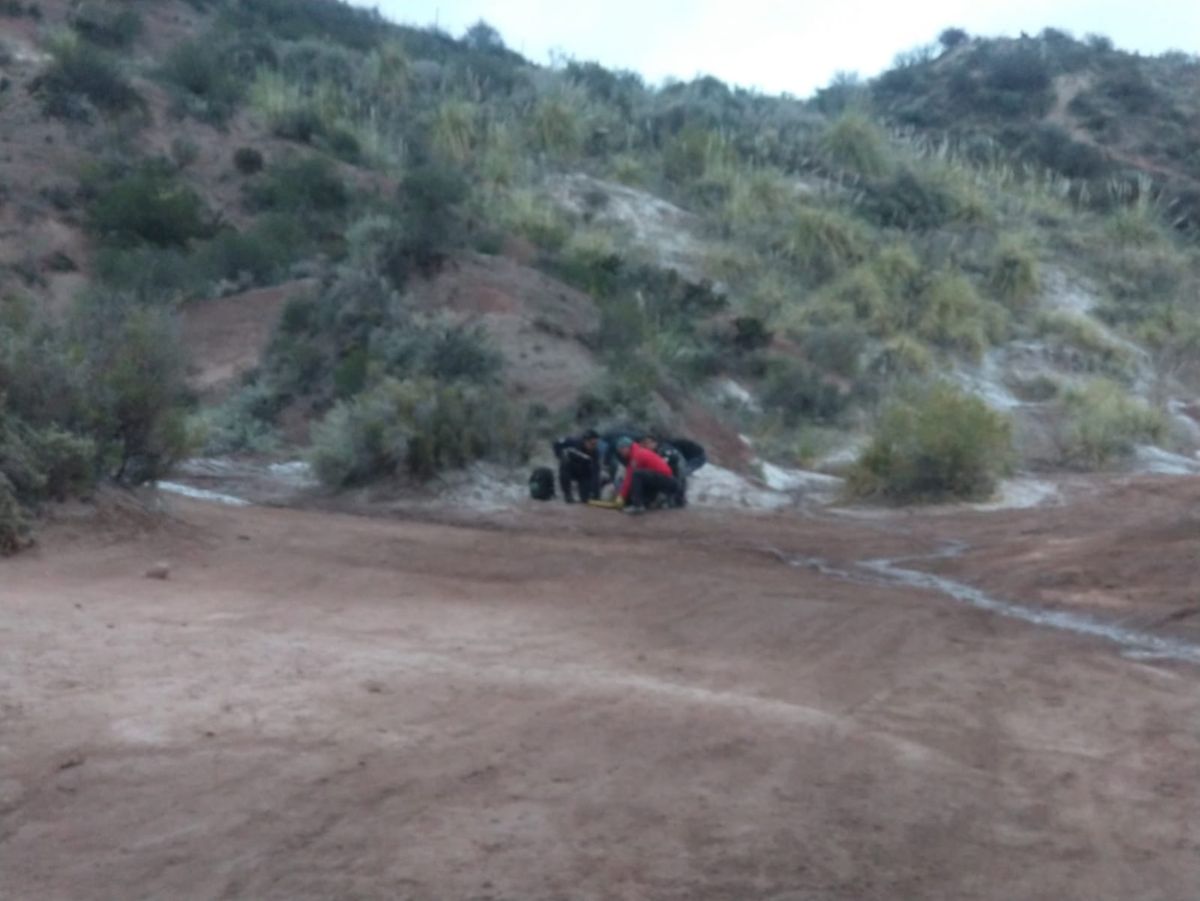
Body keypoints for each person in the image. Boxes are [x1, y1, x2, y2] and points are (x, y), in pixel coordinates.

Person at [615, 436, 681, 515]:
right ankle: (650, 501)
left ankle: (638, 506)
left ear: (626, 448)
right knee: (639, 477)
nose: (620, 453)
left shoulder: (637, 455)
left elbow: (630, 477)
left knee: (637, 475)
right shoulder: (637, 452)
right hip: (666, 480)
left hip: (667, 481)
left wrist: (622, 496)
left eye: (621, 450)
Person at [552, 429, 601, 503]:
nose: (594, 446)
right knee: (565, 464)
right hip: (570, 469)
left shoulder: (595, 453)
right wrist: (560, 455)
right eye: (592, 444)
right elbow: (556, 443)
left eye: (595, 444)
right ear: (585, 441)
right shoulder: (573, 442)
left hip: (583, 473)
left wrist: (596, 494)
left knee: (586, 499)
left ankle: (585, 496)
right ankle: (567, 494)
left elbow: (596, 474)